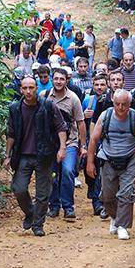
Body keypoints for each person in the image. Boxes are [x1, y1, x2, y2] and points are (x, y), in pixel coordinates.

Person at [4, 76, 68, 237]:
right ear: (20, 90)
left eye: (31, 87)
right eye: (25, 88)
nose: (28, 91)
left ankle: (38, 224)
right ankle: (30, 212)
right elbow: (11, 133)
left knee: (43, 193)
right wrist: (7, 155)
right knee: (18, 188)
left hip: (44, 154)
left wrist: (62, 147)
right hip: (23, 155)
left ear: (36, 88)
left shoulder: (47, 106)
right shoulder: (15, 108)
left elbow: (61, 126)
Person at [86, 90, 135, 240]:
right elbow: (94, 140)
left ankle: (122, 226)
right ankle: (115, 217)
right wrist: (90, 163)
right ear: (113, 103)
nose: (121, 108)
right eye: (117, 104)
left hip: (130, 160)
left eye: (124, 104)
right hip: (108, 159)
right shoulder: (105, 116)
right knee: (107, 195)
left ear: (130, 104)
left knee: (126, 193)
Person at [45, 68, 87, 220]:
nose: (58, 82)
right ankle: (54, 205)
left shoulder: (73, 98)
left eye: (61, 79)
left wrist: (83, 145)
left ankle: (68, 206)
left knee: (68, 171)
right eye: (56, 78)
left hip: (70, 142)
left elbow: (80, 122)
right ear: (52, 79)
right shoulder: (45, 97)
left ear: (66, 80)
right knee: (52, 174)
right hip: (50, 143)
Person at [82, 73, 109, 218]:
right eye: (97, 85)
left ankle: (100, 203)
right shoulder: (88, 100)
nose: (99, 87)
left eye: (102, 84)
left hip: (107, 143)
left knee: (103, 173)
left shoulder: (111, 100)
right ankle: (95, 198)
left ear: (107, 85)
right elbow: (78, 119)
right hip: (91, 141)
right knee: (91, 171)